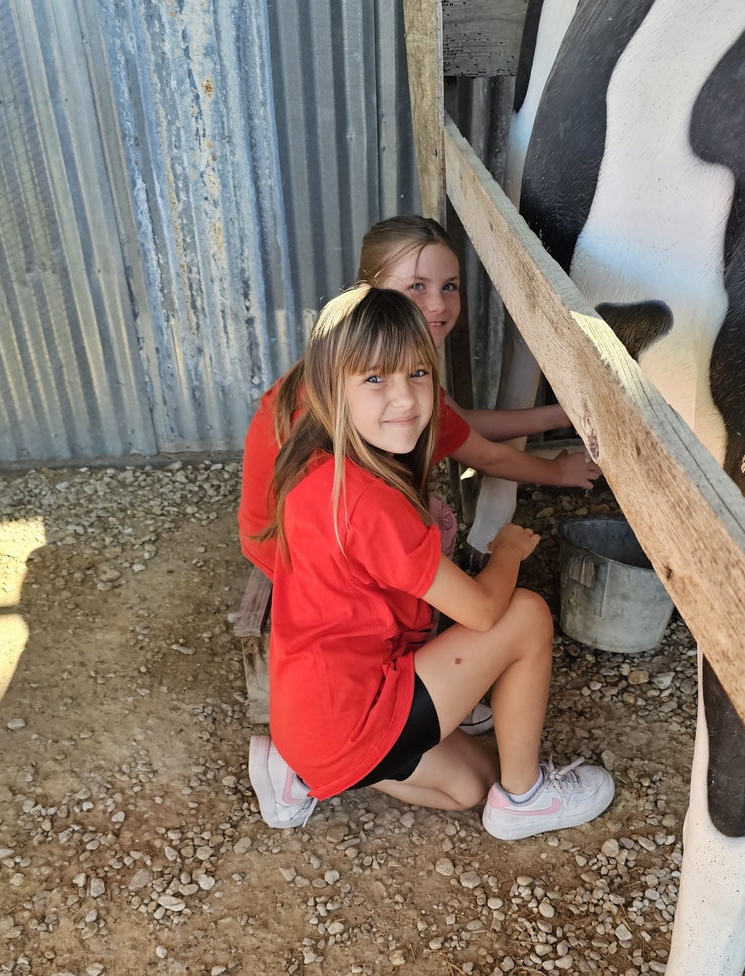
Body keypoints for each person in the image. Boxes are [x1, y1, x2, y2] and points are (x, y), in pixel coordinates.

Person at [247, 286, 614, 839]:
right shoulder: (367, 501)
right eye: (375, 378)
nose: (405, 399)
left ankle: (301, 774)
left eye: (418, 374)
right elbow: (485, 611)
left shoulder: (316, 467)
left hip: (309, 722)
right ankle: (525, 799)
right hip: (355, 715)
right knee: (526, 613)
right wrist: (509, 550)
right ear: (330, 389)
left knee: (470, 787)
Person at [238, 215, 600, 581]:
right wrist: (558, 471)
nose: (439, 305)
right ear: (370, 290)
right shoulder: (396, 392)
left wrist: (560, 416)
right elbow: (487, 456)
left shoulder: (348, 357)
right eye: (416, 286)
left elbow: (461, 421)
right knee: (436, 524)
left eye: (449, 286)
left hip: (271, 538)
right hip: (302, 564)